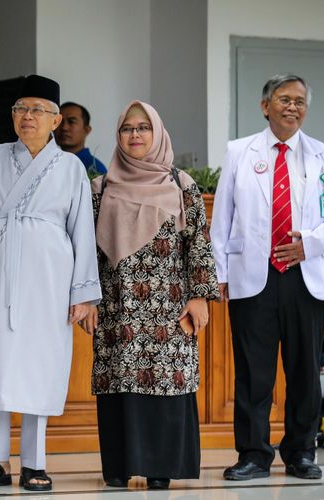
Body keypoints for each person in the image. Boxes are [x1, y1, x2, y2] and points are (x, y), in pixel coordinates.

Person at [0, 75, 101, 492]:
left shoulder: (70, 167)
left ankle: (35, 462)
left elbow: (82, 230)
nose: (27, 117)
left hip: (50, 276)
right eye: (20, 109)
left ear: (55, 121)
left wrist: (84, 294)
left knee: (40, 363)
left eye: (37, 110)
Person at [212, 74, 324, 481]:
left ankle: (301, 453)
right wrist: (218, 274)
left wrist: (313, 243)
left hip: (306, 276)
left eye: (300, 100)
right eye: (284, 99)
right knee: (254, 372)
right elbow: (222, 219)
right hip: (253, 276)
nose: (292, 107)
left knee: (304, 371)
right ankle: (253, 454)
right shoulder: (239, 152)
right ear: (265, 105)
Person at [90, 101, 218, 490]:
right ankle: (120, 465)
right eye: (127, 128)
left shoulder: (181, 185)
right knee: (119, 383)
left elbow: (198, 243)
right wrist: (86, 300)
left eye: (143, 127)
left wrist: (200, 296)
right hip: (118, 308)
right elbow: (86, 251)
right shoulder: (100, 188)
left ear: (157, 132)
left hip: (169, 308)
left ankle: (161, 468)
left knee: (167, 383)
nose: (135, 135)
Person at [58, 102, 107, 175]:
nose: (64, 127)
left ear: (86, 130)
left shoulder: (95, 170)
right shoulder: (49, 163)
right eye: (59, 122)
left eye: (71, 122)